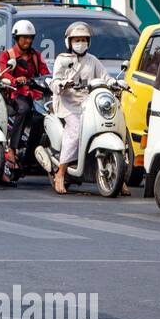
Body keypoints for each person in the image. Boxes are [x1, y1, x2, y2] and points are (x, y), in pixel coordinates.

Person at [49, 21, 105, 195]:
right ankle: (61, 172)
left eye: (84, 39)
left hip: (89, 105)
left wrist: (115, 82)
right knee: (75, 130)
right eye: (77, 40)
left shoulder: (93, 60)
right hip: (68, 105)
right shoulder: (62, 59)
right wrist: (63, 84)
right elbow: (54, 81)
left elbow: (105, 77)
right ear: (69, 42)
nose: (80, 43)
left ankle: (119, 178)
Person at [0, 19, 50, 176]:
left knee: (42, 118)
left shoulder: (36, 56)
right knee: (24, 109)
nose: (28, 41)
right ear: (16, 38)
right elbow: (2, 73)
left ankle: (30, 156)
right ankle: (12, 150)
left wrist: (50, 81)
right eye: (24, 37)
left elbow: (45, 72)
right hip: (15, 95)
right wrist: (15, 80)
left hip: (35, 95)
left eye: (30, 37)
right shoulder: (7, 55)